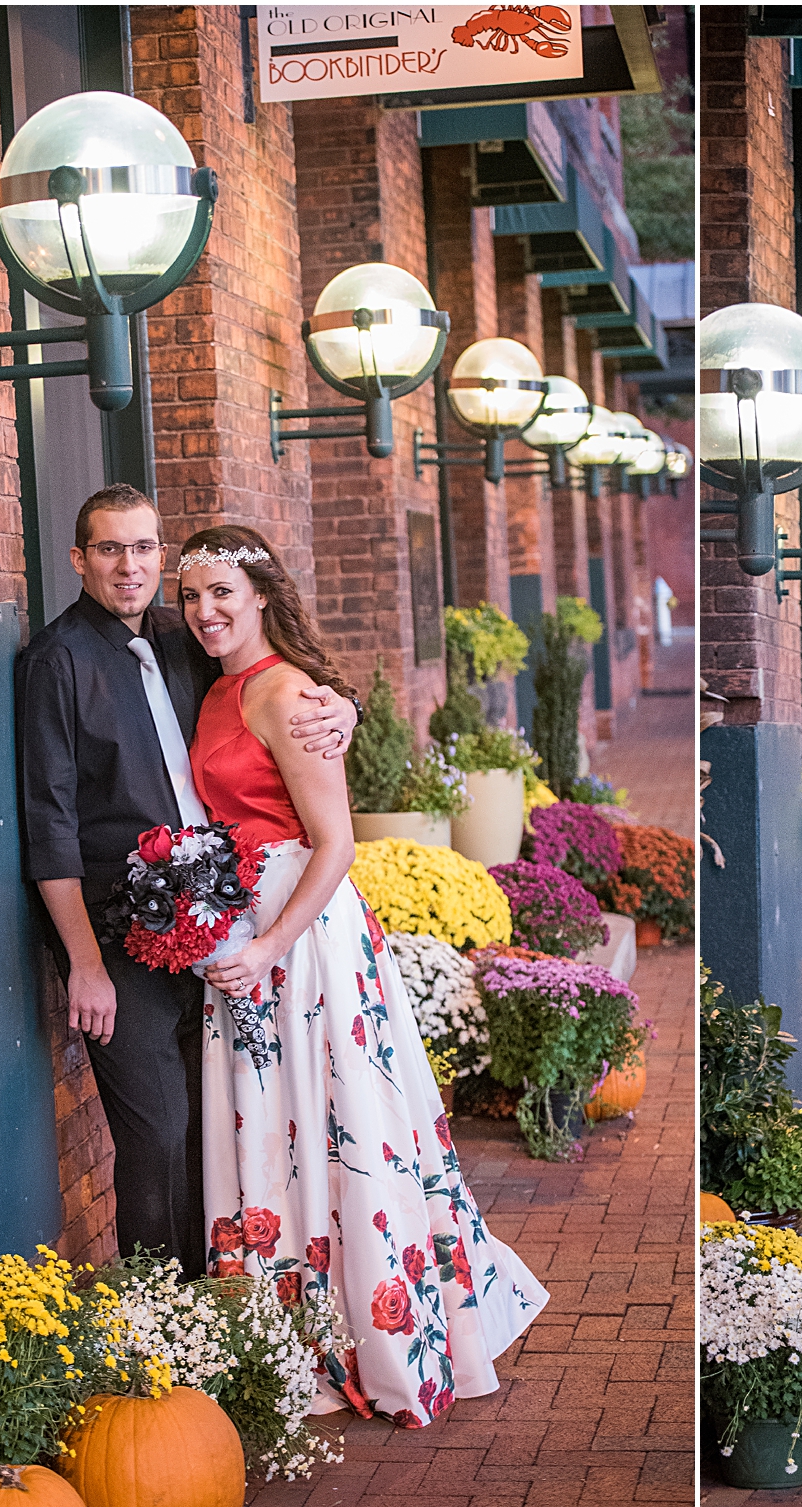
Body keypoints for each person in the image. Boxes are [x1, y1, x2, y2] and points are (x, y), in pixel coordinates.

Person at [179, 523, 550, 1427]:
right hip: (247, 925)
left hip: (302, 939)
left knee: (339, 1120)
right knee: (281, 1127)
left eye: (223, 593)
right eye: (192, 597)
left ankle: (374, 1333)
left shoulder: (286, 696)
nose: (204, 612)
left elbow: (337, 844)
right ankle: (291, 1330)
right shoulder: (219, 687)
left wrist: (267, 949)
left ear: (262, 595)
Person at [16, 485, 358, 1280]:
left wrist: (343, 706)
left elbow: (278, 682)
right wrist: (86, 964)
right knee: (158, 1130)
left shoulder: (183, 637)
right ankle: (156, 1319)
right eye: (109, 549)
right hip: (118, 939)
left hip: (215, 931)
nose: (128, 566)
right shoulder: (56, 662)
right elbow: (50, 826)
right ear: (79, 559)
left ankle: (216, 1305)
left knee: (217, 1124)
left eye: (142, 548)